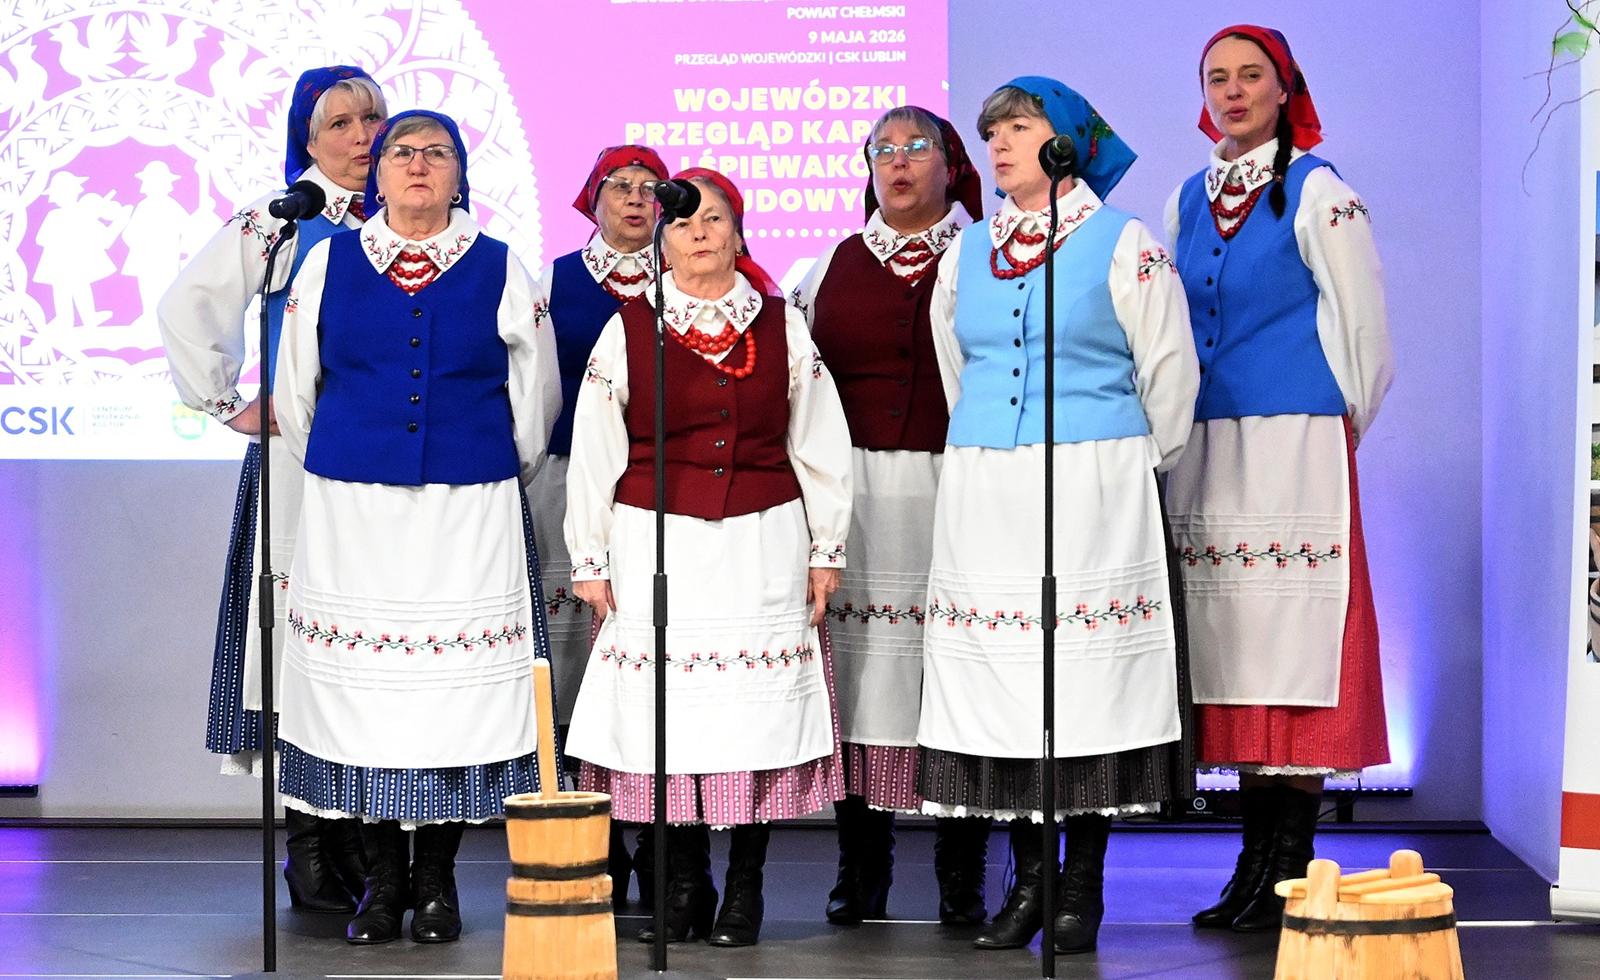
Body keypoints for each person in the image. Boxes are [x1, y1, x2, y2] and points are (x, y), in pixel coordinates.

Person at [917, 76, 1199, 955]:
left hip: (1093, 479)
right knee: (1006, 680)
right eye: (992, 131)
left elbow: (1170, 373)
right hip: (987, 485)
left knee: (1085, 684)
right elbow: (957, 365)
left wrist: (1127, 464)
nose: (1000, 144)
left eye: (1019, 126)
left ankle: (1082, 887)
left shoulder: (1124, 242)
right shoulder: (966, 251)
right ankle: (1030, 883)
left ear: (1066, 138)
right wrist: (988, 445)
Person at [273, 109, 562, 945]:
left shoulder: (499, 265)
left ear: (460, 174)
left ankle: (436, 883)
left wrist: (489, 464)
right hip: (354, 509)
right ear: (378, 172)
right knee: (364, 697)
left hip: (466, 508)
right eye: (402, 151)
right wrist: (347, 453)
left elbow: (536, 396)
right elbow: (296, 389)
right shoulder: (328, 261)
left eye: (437, 152)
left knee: (452, 701)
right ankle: (381, 885)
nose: (418, 164)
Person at [563, 167, 853, 947]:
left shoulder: (782, 324)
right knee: (668, 718)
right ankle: (685, 885)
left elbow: (820, 443)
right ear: (661, 241)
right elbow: (595, 449)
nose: (700, 232)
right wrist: (589, 557)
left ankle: (745, 890)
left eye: (715, 218)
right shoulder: (630, 327)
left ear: (738, 233)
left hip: (763, 538)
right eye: (686, 221)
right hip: (656, 540)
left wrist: (826, 549)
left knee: (754, 718)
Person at [1164, 25, 1393, 933]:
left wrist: (1335, 421)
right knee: (1236, 650)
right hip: (1208, 443)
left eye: (1250, 75)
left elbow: (1363, 329)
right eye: (1217, 78)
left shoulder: (1321, 192)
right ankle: (1250, 864)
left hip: (1294, 441)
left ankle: (1289, 867)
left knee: (1294, 646)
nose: (1232, 91)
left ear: (1283, 86)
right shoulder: (1188, 198)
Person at [156, 65, 386, 913]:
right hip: (302, 463)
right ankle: (311, 844)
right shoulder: (283, 219)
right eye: (341, 123)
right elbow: (187, 304)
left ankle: (361, 836)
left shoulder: (411, 220)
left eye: (372, 118)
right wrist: (228, 403)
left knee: (370, 645)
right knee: (298, 643)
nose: (361, 136)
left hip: (390, 466)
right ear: (307, 139)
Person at [789, 105, 989, 926]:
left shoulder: (985, 256)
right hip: (859, 497)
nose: (898, 162)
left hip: (959, 490)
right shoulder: (828, 267)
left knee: (958, 673)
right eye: (883, 150)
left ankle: (962, 873)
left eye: (916, 147)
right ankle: (859, 865)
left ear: (951, 165)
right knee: (861, 677)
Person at [528, 144, 670, 908]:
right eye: (622, 186)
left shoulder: (687, 275)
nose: (637, 199)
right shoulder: (552, 282)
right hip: (564, 481)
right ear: (593, 197)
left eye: (652, 188)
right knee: (570, 661)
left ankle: (657, 839)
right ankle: (592, 839)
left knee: (648, 658)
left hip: (655, 491)